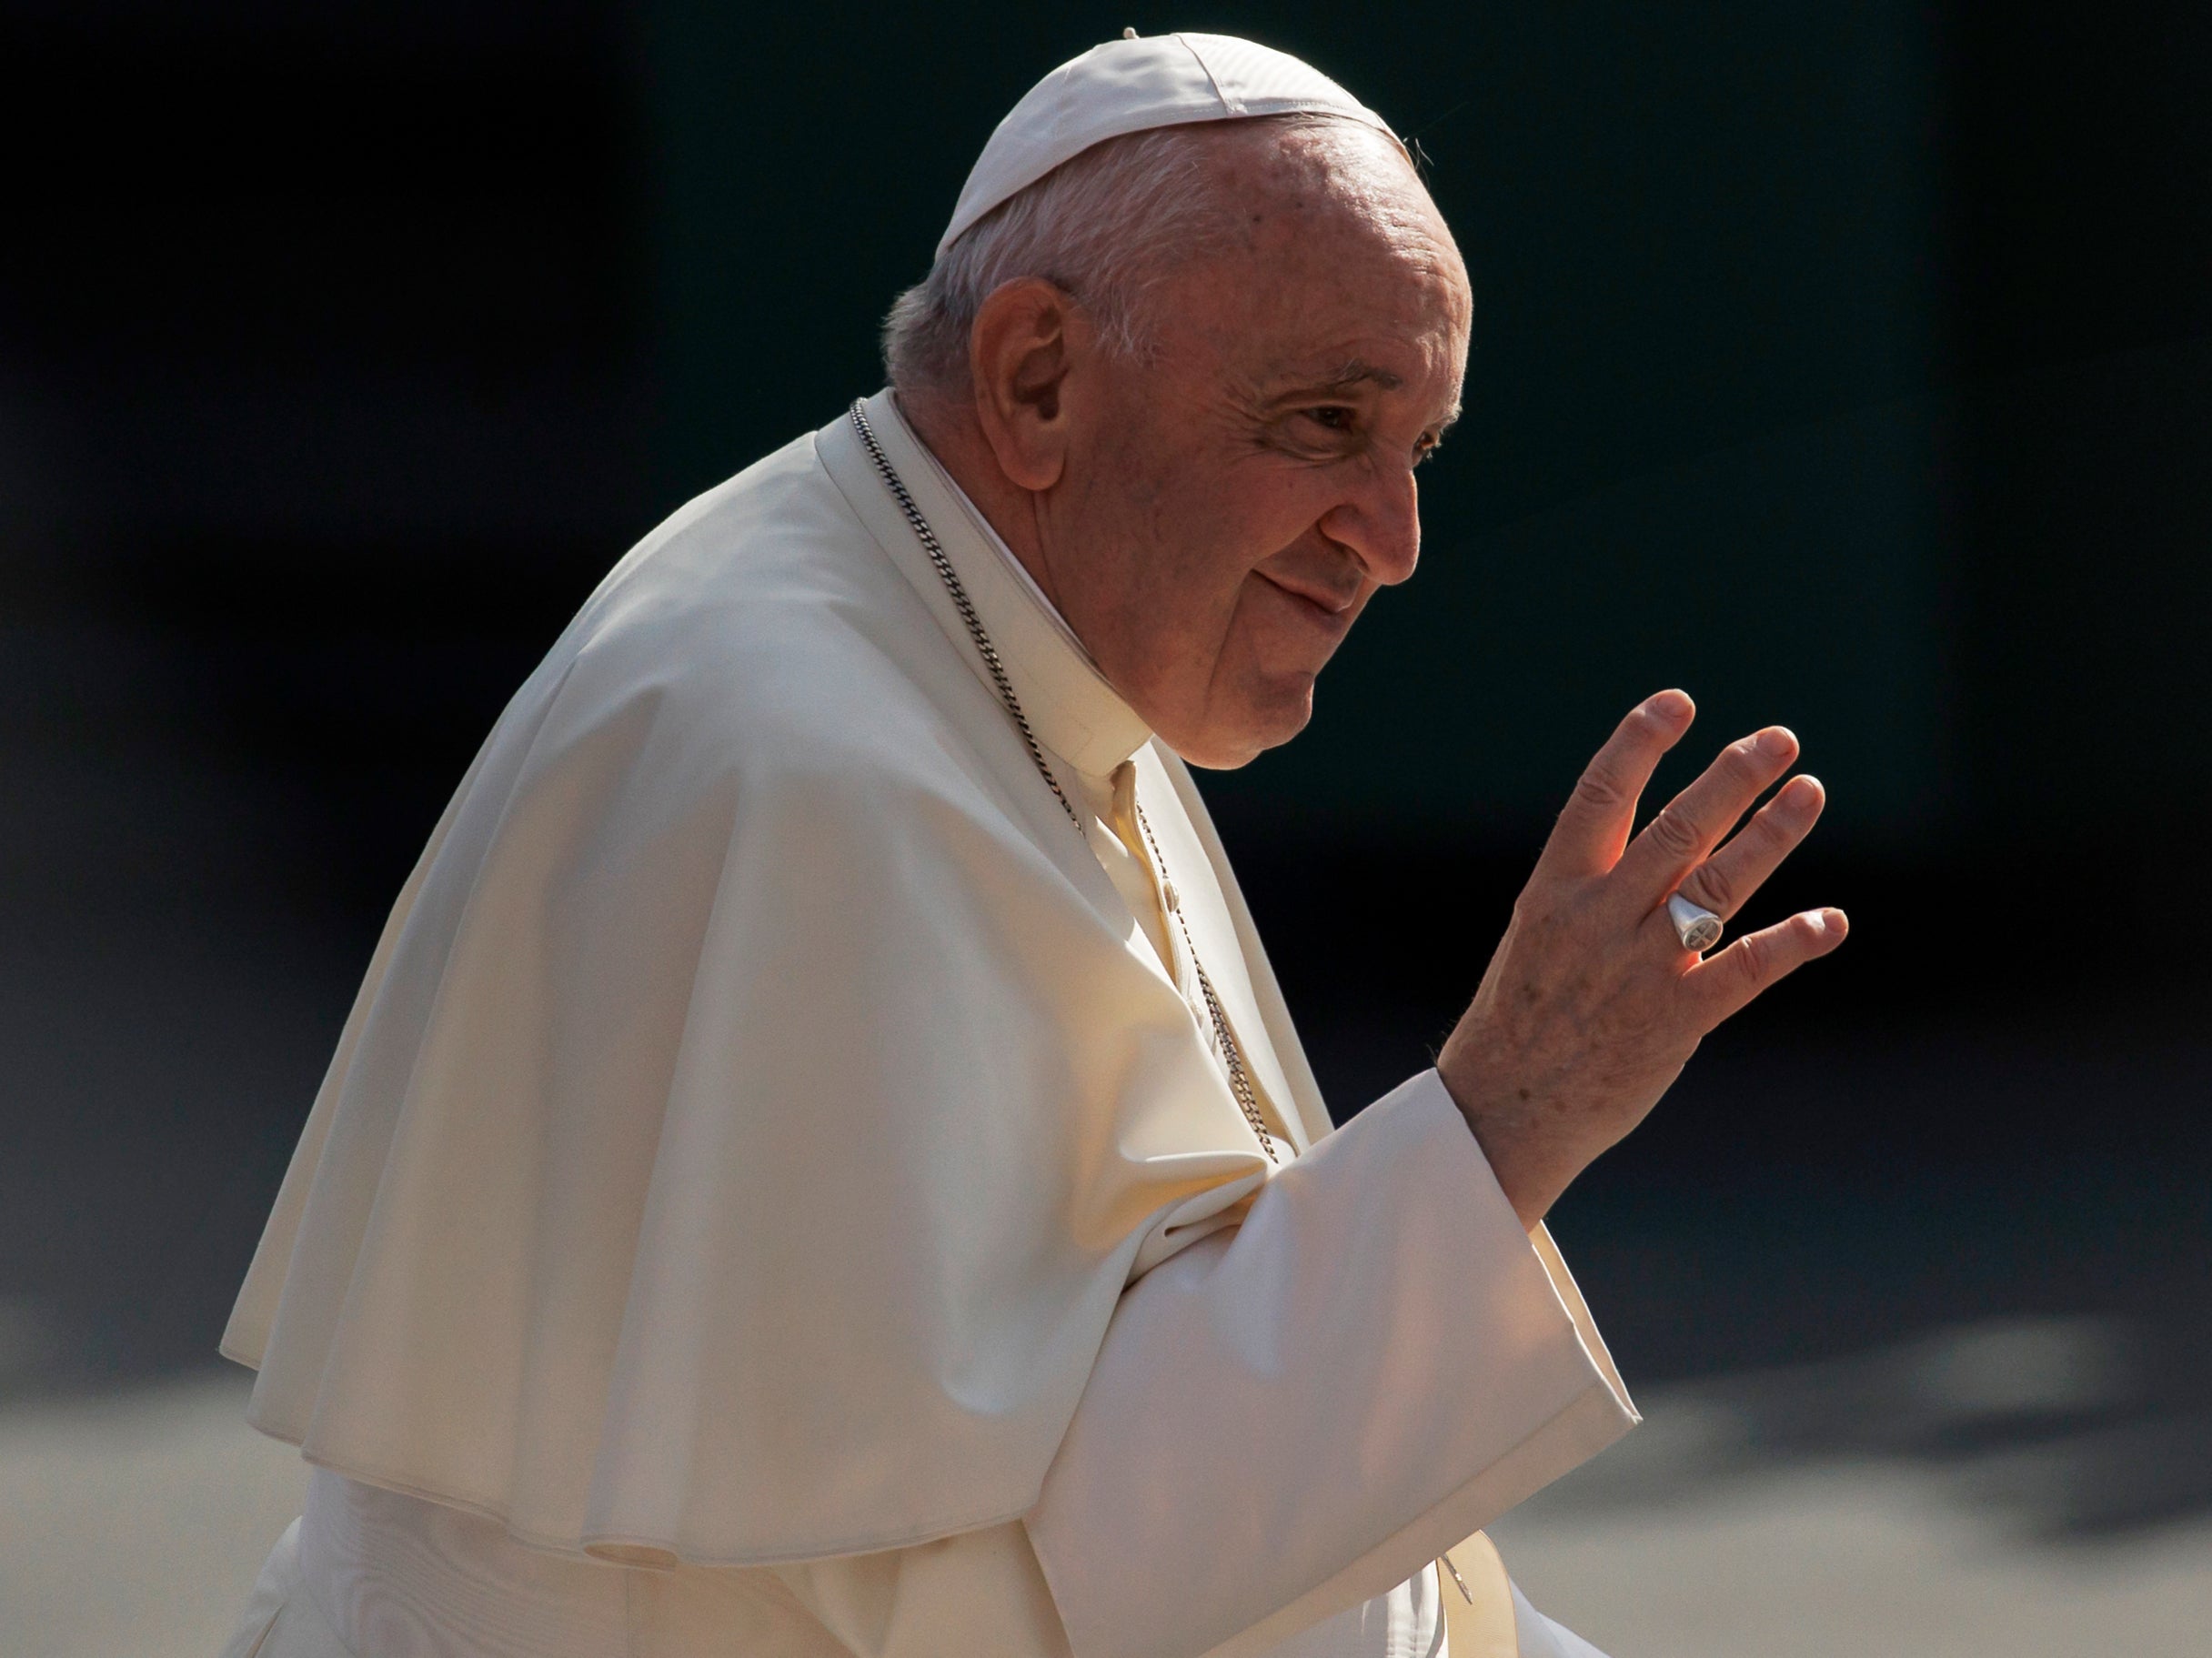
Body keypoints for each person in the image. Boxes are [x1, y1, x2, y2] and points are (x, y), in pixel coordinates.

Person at [216, 31, 1845, 1658]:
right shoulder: (804, 767)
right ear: (1038, 381)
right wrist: (1511, 1111)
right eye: (1325, 422)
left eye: (1413, 449)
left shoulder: (981, 630)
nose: (1395, 541)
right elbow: (1055, 1583)